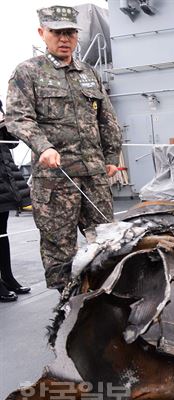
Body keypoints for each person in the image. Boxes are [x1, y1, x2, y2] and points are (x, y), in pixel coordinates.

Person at [5, 5, 122, 291]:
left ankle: (106, 297)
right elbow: (18, 117)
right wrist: (42, 146)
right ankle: (68, 304)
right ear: (42, 33)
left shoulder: (88, 73)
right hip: (55, 181)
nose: (64, 38)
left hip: (94, 176)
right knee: (60, 246)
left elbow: (107, 119)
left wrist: (110, 156)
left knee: (107, 241)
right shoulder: (28, 72)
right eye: (57, 32)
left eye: (69, 32)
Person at [0, 105, 32, 302]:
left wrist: (5, 124)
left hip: (4, 180)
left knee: (2, 233)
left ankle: (8, 277)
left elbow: (11, 143)